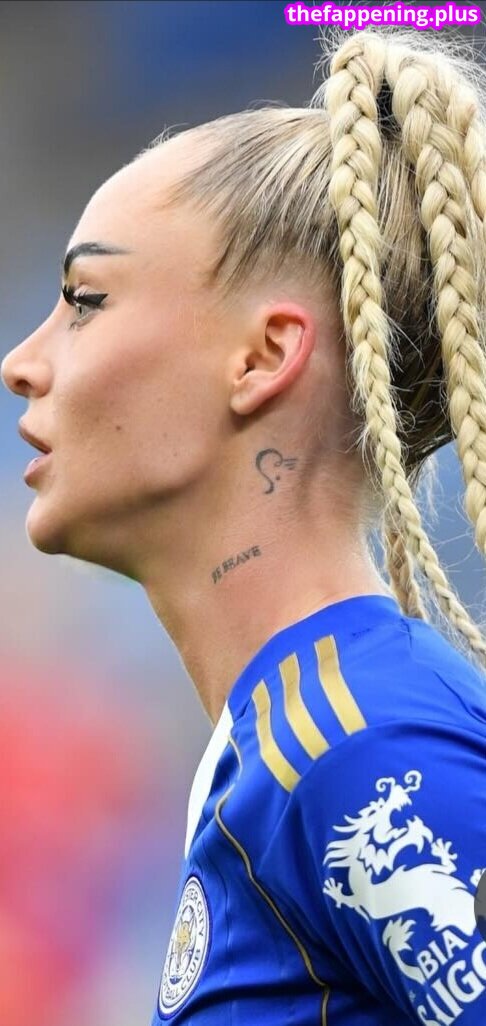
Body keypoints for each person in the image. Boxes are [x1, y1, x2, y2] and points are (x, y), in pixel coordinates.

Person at [2, 22, 486, 1026]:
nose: (22, 362)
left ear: (263, 358)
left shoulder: (366, 748)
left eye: (85, 300)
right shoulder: (291, 742)